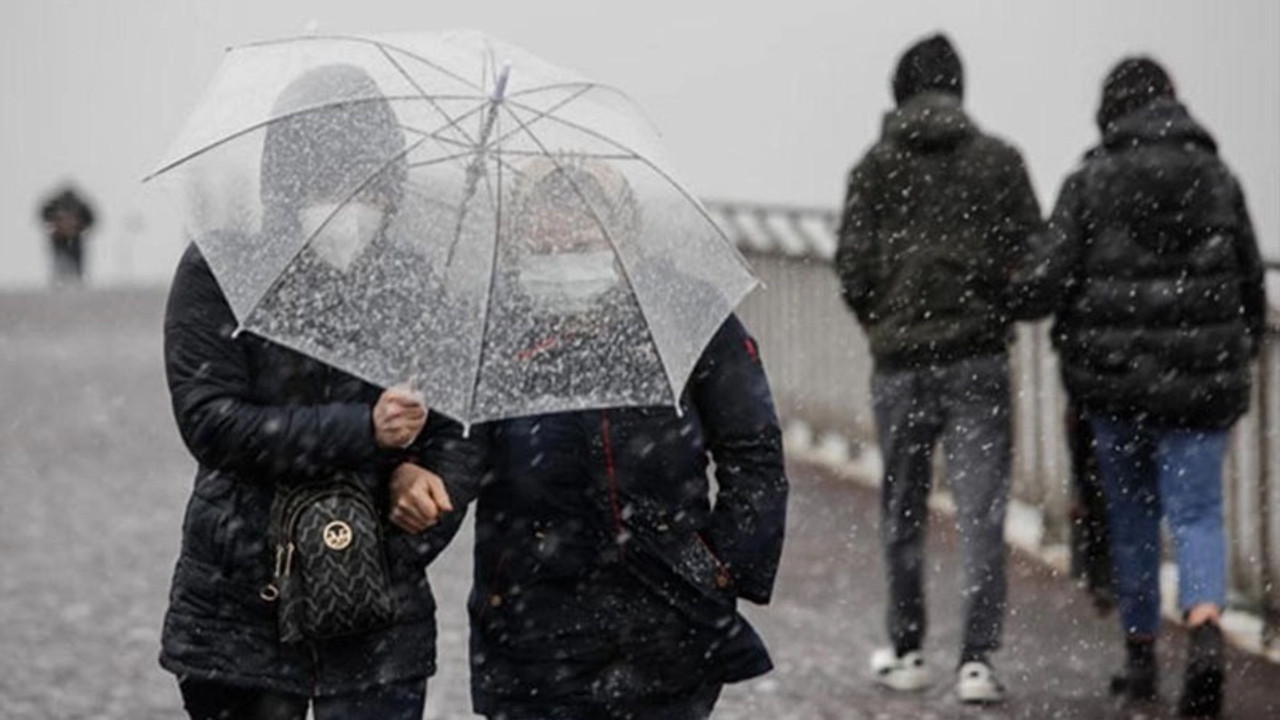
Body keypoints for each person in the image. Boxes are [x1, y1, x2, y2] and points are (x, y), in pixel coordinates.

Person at [394, 158, 789, 720]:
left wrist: (723, 564)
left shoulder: (683, 310)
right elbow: (458, 451)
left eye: (586, 218)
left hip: (666, 619)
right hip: (529, 623)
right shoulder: (489, 321)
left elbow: (753, 448)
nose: (566, 232)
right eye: (546, 218)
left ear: (622, 227)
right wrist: (415, 488)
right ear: (519, 230)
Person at [159, 64, 482, 720]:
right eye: (326, 180)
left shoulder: (418, 283)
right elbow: (211, 420)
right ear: (286, 176)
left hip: (379, 619)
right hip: (238, 606)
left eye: (366, 183)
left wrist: (408, 519)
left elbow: (459, 433)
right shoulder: (223, 269)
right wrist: (362, 431)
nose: (348, 204)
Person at [1045, 57, 1265, 717]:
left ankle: (1140, 657)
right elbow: (1251, 281)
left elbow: (1054, 275)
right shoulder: (1218, 177)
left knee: (1135, 518)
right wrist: (1235, 348)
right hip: (1200, 386)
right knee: (1198, 513)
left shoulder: (1090, 179)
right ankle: (1202, 624)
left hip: (1114, 389)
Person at [834, 33, 1049, 703]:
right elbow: (1033, 256)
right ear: (958, 88)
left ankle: (907, 649)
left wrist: (885, 321)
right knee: (981, 513)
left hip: (900, 365)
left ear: (899, 91)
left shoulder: (873, 168)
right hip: (976, 359)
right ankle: (976, 661)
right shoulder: (999, 162)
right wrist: (994, 305)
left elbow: (853, 267)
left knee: (902, 510)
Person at [40, 185, 95, 285]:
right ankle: (65, 277)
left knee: (70, 258)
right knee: (65, 257)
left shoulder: (58, 203)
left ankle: (73, 277)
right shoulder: (75, 204)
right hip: (63, 236)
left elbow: (90, 219)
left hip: (71, 236)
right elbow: (44, 213)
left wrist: (80, 227)